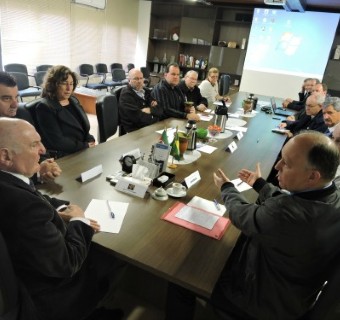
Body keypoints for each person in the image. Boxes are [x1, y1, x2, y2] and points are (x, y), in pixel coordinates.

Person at [166, 131, 340, 320]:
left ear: (313, 177)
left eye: (286, 164)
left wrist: (226, 187)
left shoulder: (285, 213)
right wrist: (261, 185)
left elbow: (241, 215)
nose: (277, 166)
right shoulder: (332, 196)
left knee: (181, 279)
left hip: (259, 303)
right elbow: (295, 204)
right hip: (296, 294)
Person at [0, 118, 124, 320]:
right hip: (49, 296)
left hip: (23, 270)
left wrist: (59, 210)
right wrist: (79, 221)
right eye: (34, 145)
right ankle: (89, 307)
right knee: (113, 254)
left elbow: (34, 199)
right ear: (5, 156)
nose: (43, 150)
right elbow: (67, 263)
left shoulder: (9, 183)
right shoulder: (24, 206)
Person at [0, 71, 61, 182]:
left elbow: (39, 149)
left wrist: (43, 164)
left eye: (16, 98)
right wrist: (36, 171)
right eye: (6, 98)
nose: (15, 105)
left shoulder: (22, 114)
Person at [35, 65, 95, 158]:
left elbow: (82, 128)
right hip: (65, 155)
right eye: (64, 83)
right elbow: (57, 141)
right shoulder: (44, 107)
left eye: (71, 84)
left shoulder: (73, 100)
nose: (68, 88)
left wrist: (90, 139)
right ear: (54, 84)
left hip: (81, 149)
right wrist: (85, 146)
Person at [119, 68, 162, 133]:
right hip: (135, 131)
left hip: (149, 127)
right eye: (136, 78)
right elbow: (138, 118)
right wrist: (155, 116)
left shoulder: (146, 91)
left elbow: (160, 109)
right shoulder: (126, 95)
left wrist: (150, 110)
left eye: (141, 78)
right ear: (129, 80)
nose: (139, 81)